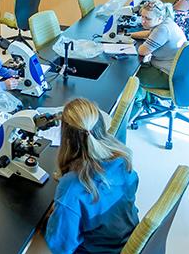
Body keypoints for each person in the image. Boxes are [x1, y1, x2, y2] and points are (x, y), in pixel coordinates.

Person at [45, 98, 140, 254]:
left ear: (66, 139)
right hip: (125, 239)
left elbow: (60, 246)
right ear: (101, 125)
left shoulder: (72, 187)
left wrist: (54, 216)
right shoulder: (123, 160)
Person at [130, 0, 187, 89]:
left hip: (168, 76)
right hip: (177, 71)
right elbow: (149, 34)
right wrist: (129, 35)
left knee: (129, 74)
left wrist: (133, 44)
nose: (143, 21)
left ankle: (138, 100)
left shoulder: (162, 30)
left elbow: (142, 51)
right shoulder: (167, 21)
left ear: (159, 18)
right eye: (142, 17)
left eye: (147, 18)